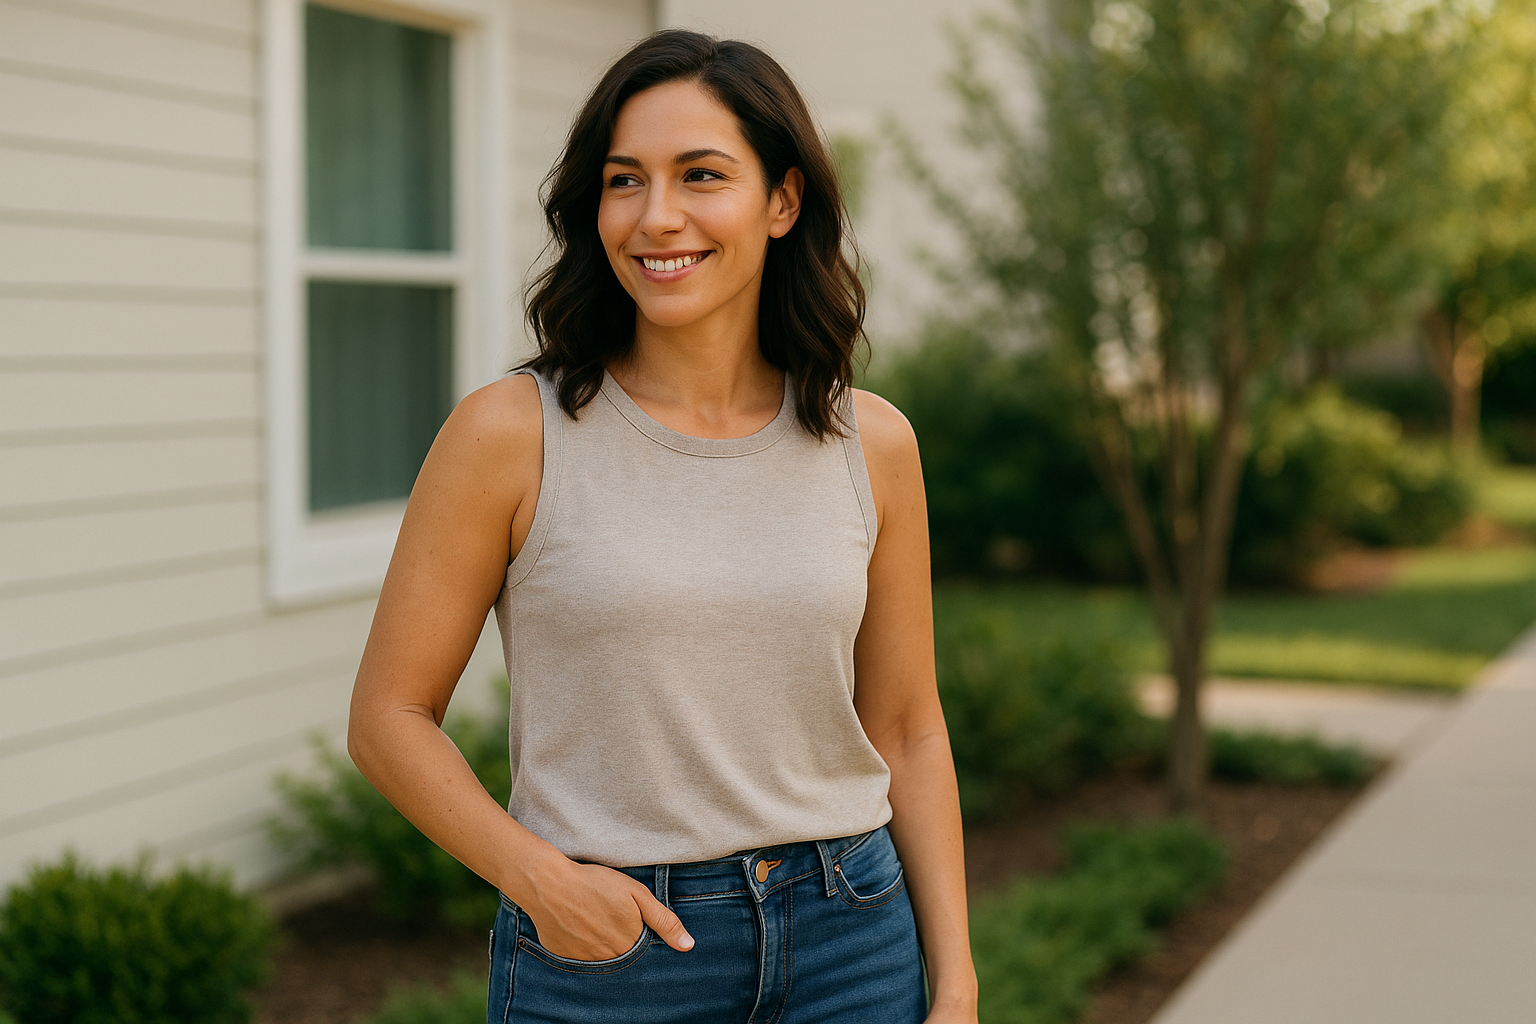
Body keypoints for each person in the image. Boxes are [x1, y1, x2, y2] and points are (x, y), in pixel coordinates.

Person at [346, 29, 977, 1024]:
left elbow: (907, 724)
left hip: (852, 939)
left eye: (701, 175)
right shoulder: (511, 433)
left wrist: (956, 984)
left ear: (782, 200)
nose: (657, 216)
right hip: (615, 956)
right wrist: (540, 881)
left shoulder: (874, 442)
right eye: (624, 180)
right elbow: (387, 715)